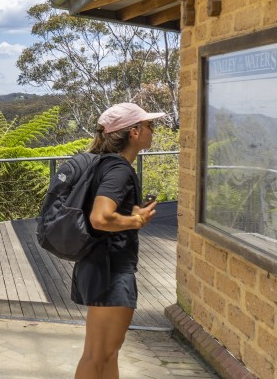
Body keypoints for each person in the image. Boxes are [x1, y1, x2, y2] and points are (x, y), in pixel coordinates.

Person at [73, 102, 164, 379]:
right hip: (110, 269)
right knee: (97, 355)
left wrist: (129, 214)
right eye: (149, 125)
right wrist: (135, 221)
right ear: (134, 132)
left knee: (108, 354)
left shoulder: (104, 164)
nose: (153, 130)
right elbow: (100, 217)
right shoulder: (119, 170)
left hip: (103, 265)